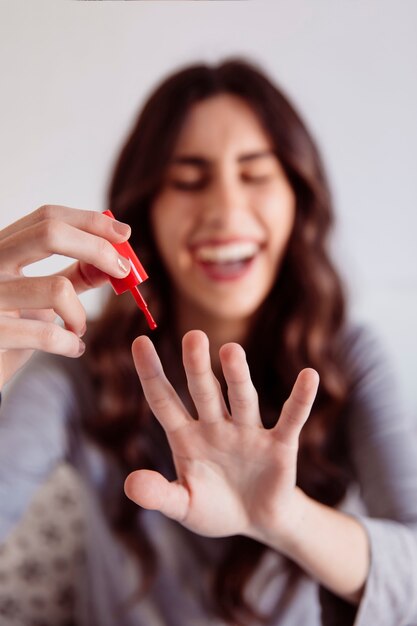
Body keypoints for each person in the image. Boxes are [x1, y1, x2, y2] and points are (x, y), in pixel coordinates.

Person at [1, 58, 417, 626]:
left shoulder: (350, 358)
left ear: (298, 198)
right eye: (188, 180)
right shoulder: (74, 362)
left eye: (255, 173)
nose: (224, 210)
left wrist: (285, 518)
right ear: (146, 210)